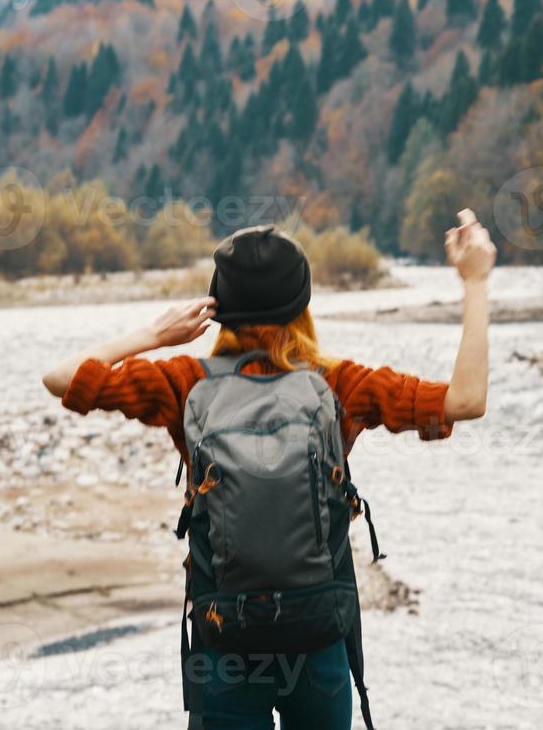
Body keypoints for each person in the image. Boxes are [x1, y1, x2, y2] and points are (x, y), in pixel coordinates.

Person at [42, 209, 495, 728]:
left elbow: (60, 378)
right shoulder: (339, 382)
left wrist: (153, 335)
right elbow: (466, 401)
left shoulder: (186, 381)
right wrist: (476, 280)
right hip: (317, 637)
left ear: (217, 308)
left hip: (226, 641)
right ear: (303, 303)